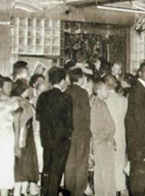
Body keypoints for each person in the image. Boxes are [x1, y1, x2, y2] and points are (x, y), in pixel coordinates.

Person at [36, 67, 73, 196]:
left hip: (46, 139)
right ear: (62, 81)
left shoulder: (42, 96)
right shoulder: (65, 98)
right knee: (56, 173)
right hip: (61, 141)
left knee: (47, 170)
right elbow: (69, 122)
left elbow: (38, 117)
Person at [125, 63, 145, 196]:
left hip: (138, 141)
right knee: (138, 175)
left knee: (139, 173)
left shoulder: (142, 89)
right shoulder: (139, 90)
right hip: (140, 142)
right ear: (140, 73)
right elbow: (139, 119)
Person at [65, 68, 91, 196]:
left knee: (69, 162)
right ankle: (79, 191)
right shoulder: (83, 93)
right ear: (80, 78)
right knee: (81, 162)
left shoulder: (66, 91)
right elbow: (87, 115)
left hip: (68, 133)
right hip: (81, 132)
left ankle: (69, 189)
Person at [12, 80, 39, 196]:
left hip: (17, 134)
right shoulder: (25, 103)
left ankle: (20, 190)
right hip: (25, 135)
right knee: (24, 164)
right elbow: (25, 120)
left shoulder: (13, 101)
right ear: (24, 90)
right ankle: (19, 192)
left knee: (19, 164)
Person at [103, 74, 128, 194]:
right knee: (119, 164)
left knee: (107, 164)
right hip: (120, 135)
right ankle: (120, 188)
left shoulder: (102, 100)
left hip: (106, 136)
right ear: (116, 84)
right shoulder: (123, 100)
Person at [91, 82, 116, 196]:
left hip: (103, 142)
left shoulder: (100, 103)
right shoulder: (98, 104)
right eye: (105, 89)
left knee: (102, 173)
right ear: (98, 91)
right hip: (103, 143)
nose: (108, 91)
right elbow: (96, 127)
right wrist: (108, 136)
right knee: (106, 174)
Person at [0, 80, 20, 196]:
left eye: (11, 86)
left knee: (5, 169)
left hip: (7, 139)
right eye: (7, 86)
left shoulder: (14, 102)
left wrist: (16, 144)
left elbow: (17, 124)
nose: (10, 88)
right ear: (0, 88)